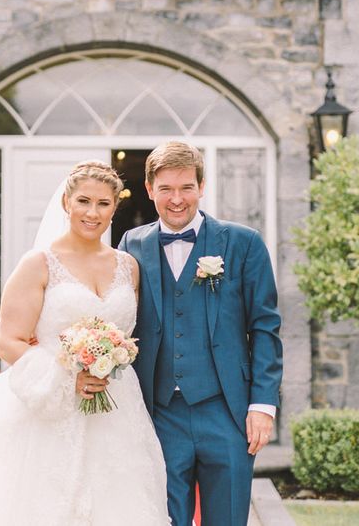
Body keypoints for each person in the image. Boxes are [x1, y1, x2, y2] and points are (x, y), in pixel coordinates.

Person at [0, 160, 170, 526]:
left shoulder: (129, 266)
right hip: (52, 406)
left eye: (103, 204)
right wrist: (69, 377)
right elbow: (9, 341)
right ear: (66, 202)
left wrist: (111, 358)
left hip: (119, 407)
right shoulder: (39, 264)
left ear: (115, 208)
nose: (92, 213)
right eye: (83, 201)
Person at [119, 142, 283, 526]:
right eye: (166, 189)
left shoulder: (243, 243)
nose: (177, 199)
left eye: (186, 188)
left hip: (227, 412)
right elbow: (118, 322)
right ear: (149, 189)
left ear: (202, 186)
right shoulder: (131, 244)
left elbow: (264, 326)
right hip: (158, 414)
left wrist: (262, 405)